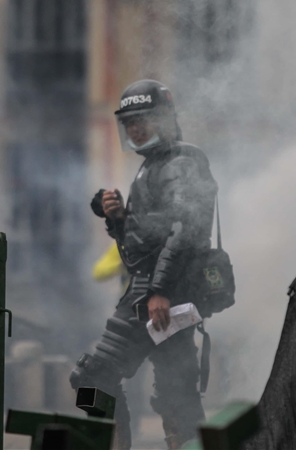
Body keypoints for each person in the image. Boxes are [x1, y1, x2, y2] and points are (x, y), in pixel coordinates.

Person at [71, 79, 218, 449]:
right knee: (176, 393)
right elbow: (147, 239)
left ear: (165, 118)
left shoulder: (181, 162)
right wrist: (117, 218)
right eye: (129, 122)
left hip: (157, 297)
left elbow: (185, 230)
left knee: (90, 380)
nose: (135, 128)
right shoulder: (156, 164)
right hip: (161, 293)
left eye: (143, 119)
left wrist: (160, 291)